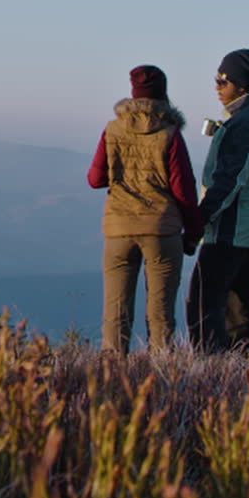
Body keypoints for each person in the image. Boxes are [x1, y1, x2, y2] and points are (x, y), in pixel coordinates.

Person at [88, 64, 203, 354]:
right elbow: (184, 189)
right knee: (161, 313)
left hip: (118, 229)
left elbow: (95, 179)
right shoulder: (170, 134)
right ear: (163, 95)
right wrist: (193, 234)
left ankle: (111, 373)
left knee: (115, 311)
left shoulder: (112, 130)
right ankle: (162, 372)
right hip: (161, 230)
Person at [186, 48, 249, 353]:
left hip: (231, 227)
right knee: (240, 305)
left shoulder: (244, 123)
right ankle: (240, 368)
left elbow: (228, 180)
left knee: (204, 302)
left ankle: (209, 369)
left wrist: (199, 223)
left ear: (240, 84)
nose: (216, 86)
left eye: (222, 80)